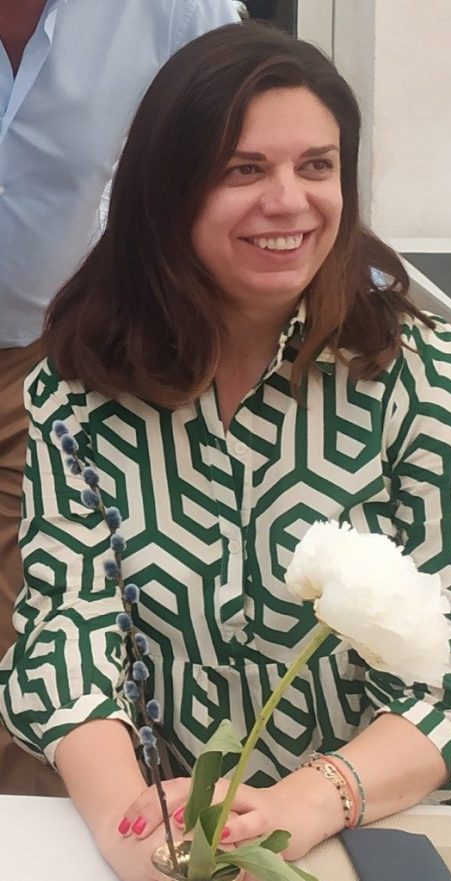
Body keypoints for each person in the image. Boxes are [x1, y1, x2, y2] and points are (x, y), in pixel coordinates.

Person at [1, 21, 451, 881]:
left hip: (436, 811)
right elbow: (67, 637)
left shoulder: (412, 375)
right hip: (201, 828)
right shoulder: (79, 392)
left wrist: (303, 803)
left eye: (317, 166)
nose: (290, 201)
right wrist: (133, 823)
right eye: (244, 169)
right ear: (165, 190)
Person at [0, 0, 239, 796]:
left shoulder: (169, 9)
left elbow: (267, 146)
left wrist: (378, 351)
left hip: (52, 360)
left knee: (27, 638)